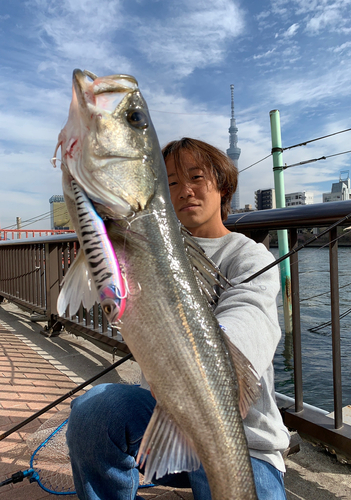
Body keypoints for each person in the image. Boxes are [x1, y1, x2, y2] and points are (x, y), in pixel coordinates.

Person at [66, 137, 290, 500]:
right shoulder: (144, 244)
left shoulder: (251, 255)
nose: (184, 191)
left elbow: (251, 314)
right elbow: (114, 304)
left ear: (224, 185)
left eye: (196, 177)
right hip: (162, 424)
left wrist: (193, 368)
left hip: (245, 441)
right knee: (93, 411)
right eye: (170, 183)